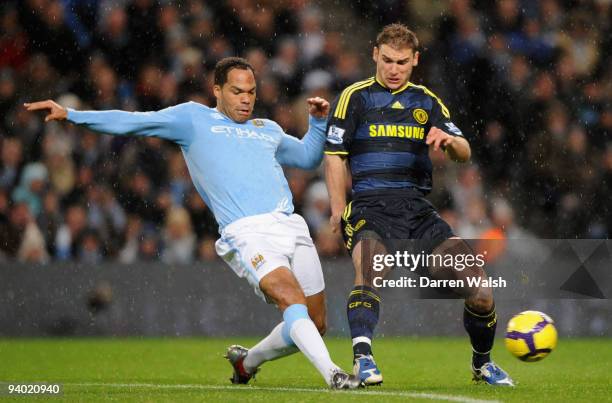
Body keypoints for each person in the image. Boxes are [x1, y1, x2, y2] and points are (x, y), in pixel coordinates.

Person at [25, 57, 360, 389]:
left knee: (315, 323)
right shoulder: (192, 119)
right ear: (216, 90)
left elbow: (306, 157)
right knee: (291, 299)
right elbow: (133, 121)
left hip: (291, 225)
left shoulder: (266, 130)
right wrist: (72, 115)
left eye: (251, 92)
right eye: (237, 91)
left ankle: (247, 362)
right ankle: (333, 374)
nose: (246, 99)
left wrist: (317, 124)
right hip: (247, 232)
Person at [324, 24, 514, 386]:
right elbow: (334, 156)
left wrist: (449, 141)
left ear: (415, 61)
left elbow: (464, 151)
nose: (393, 69)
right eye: (387, 60)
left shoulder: (426, 101)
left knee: (481, 289)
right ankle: (363, 359)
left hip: (417, 211)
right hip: (370, 207)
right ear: (375, 55)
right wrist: (337, 209)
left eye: (401, 62)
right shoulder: (355, 98)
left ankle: (482, 364)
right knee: (371, 271)